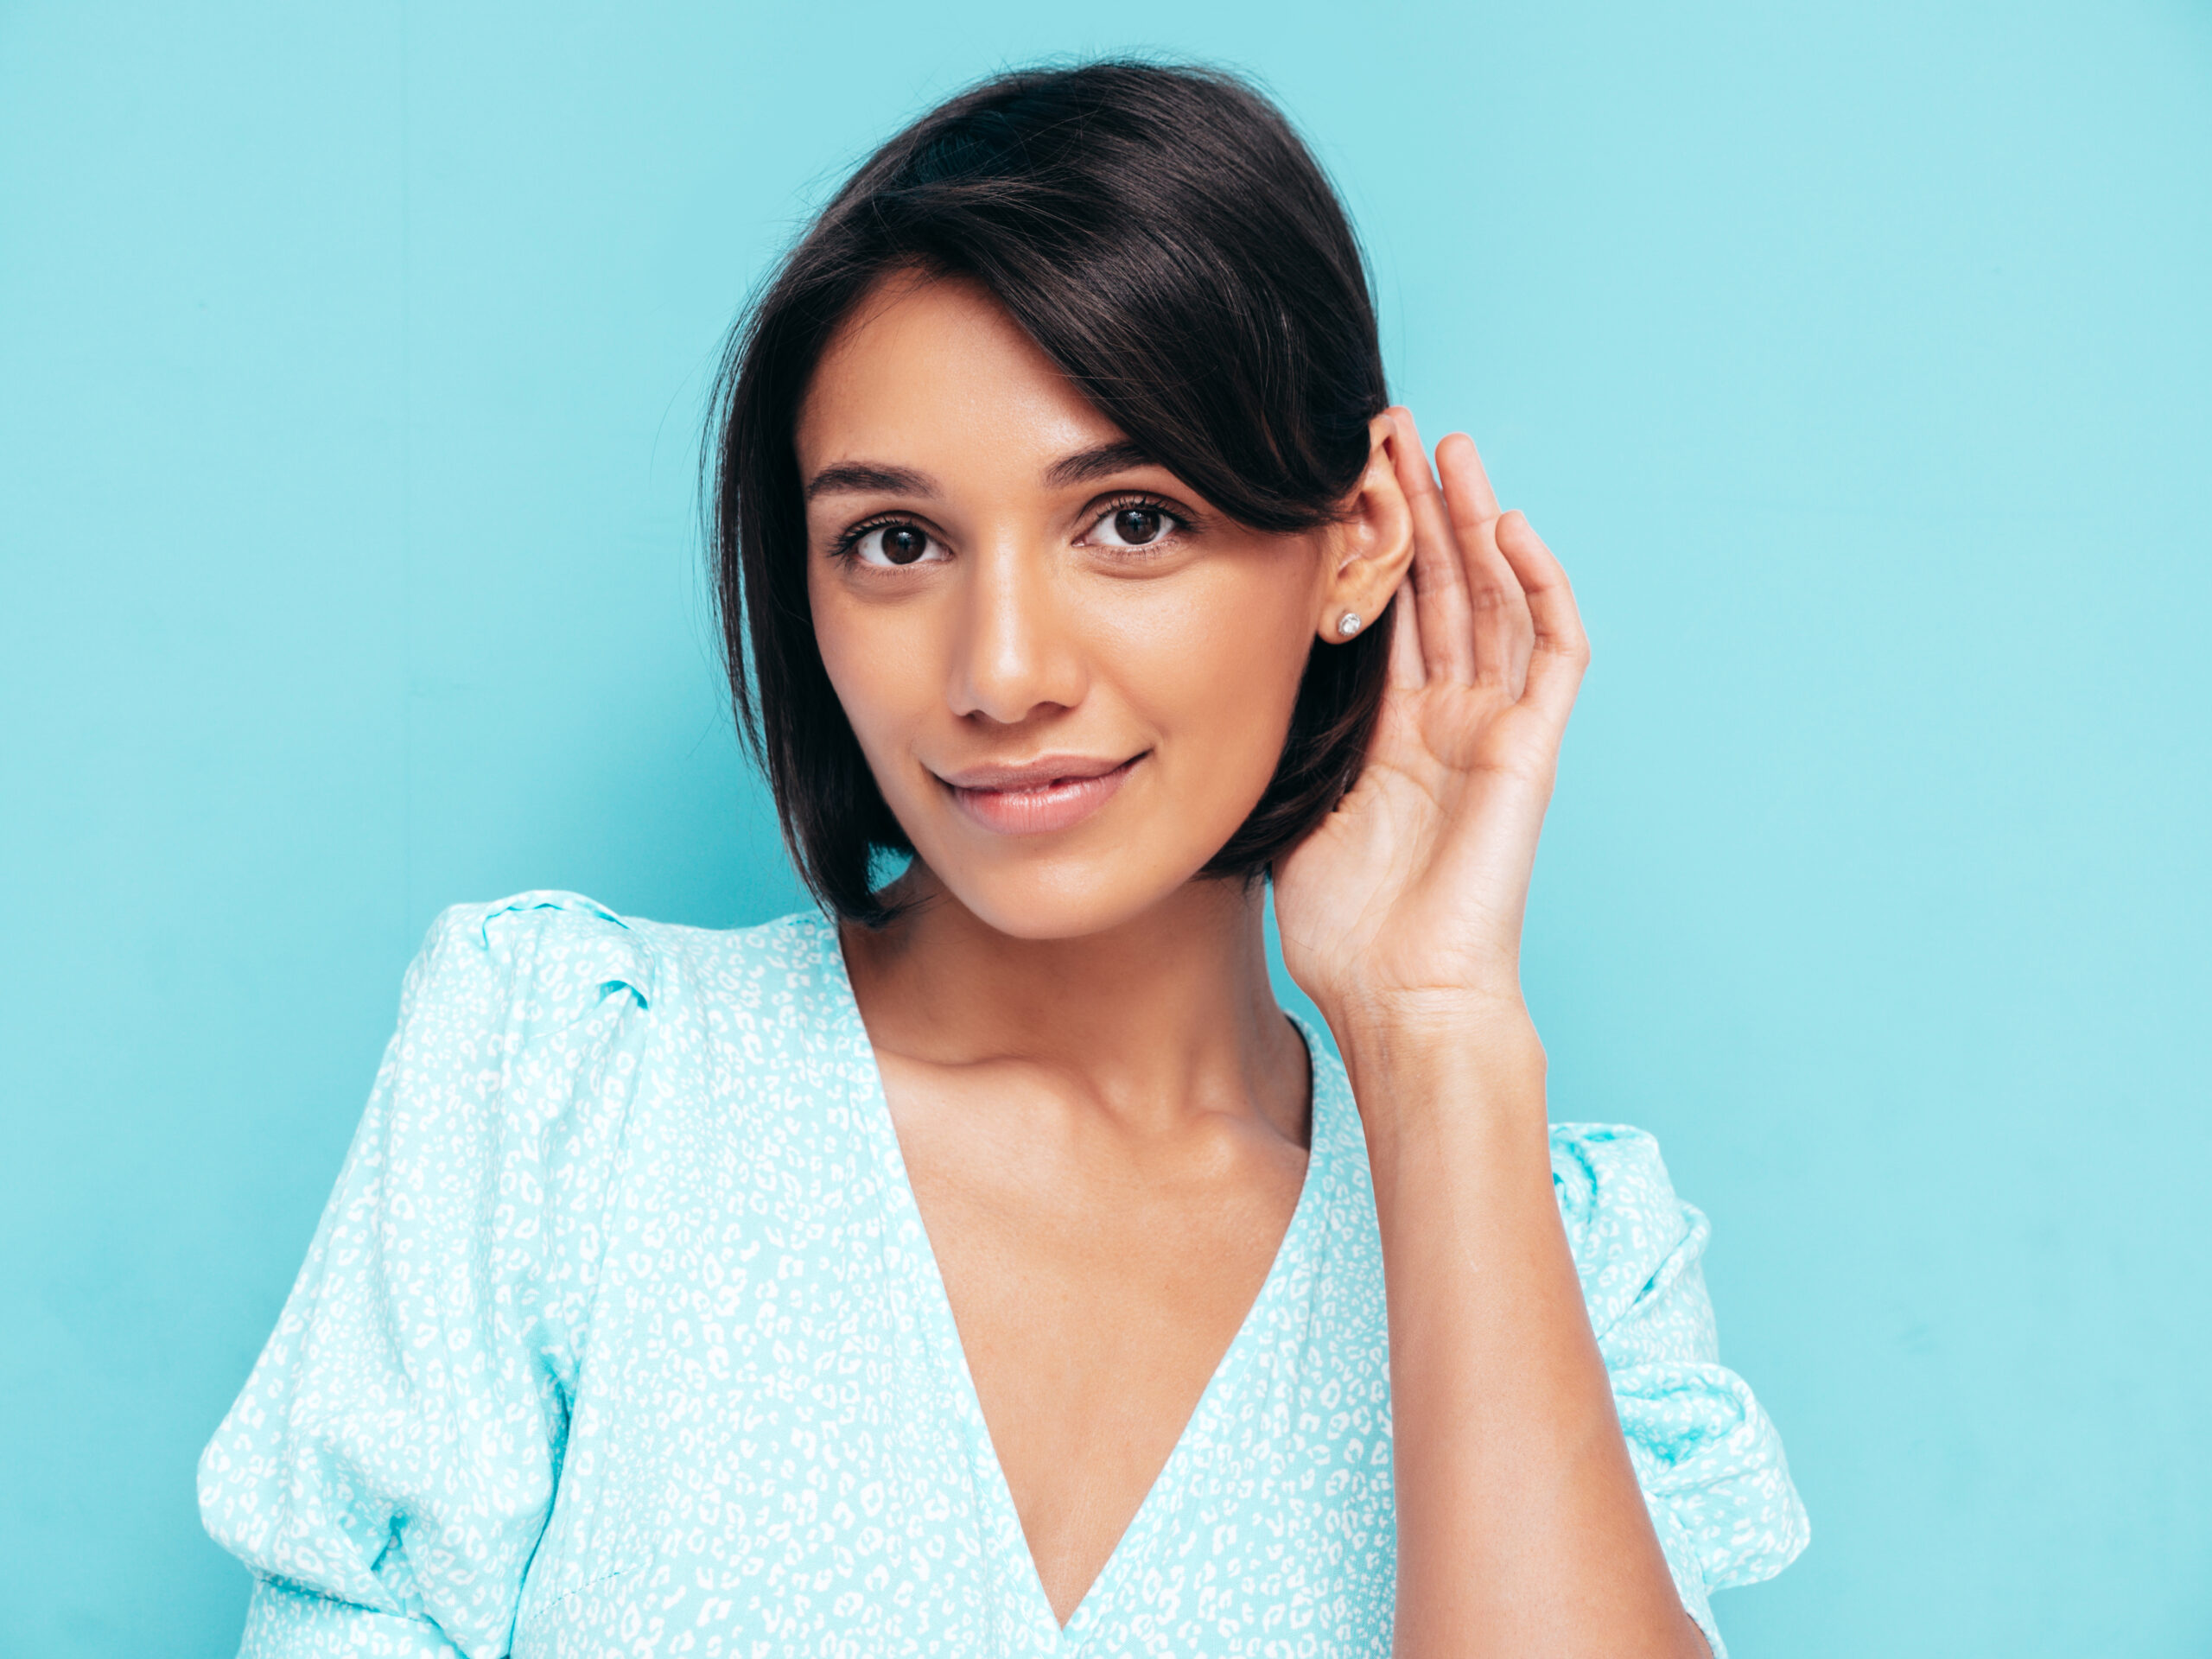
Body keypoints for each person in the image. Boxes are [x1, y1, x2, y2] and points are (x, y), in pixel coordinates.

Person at [199, 60, 1808, 1658]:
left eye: (1131, 520)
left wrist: (1437, 1031)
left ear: (1358, 542)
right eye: (897, 543)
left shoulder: (1562, 1262)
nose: (1004, 670)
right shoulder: (571, 1093)